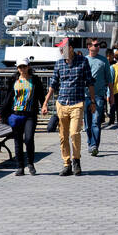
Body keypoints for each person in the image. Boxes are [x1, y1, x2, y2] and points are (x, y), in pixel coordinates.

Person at [41, 38, 97, 176]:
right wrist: (45, 103)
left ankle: (76, 160)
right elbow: (53, 85)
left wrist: (93, 101)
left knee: (74, 133)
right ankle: (67, 164)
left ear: (71, 48)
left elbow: (90, 83)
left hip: (77, 103)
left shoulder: (83, 62)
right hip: (62, 104)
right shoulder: (59, 64)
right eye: (60, 49)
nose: (61, 51)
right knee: (63, 136)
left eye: (63, 48)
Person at [0, 56, 47, 175]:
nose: (22, 69)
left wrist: (44, 106)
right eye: (20, 67)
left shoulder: (34, 80)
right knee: (18, 140)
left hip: (30, 114)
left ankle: (30, 163)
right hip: (15, 114)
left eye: (24, 66)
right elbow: (7, 97)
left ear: (28, 67)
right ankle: (20, 166)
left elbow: (41, 94)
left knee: (29, 139)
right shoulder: (13, 80)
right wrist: (1, 112)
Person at [84, 39, 114, 156]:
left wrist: (111, 95)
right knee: (87, 124)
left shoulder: (104, 61)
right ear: (89, 46)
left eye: (98, 46)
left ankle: (94, 145)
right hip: (85, 96)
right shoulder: (84, 60)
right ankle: (90, 142)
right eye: (95, 45)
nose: (97, 47)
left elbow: (109, 79)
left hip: (99, 96)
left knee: (96, 122)